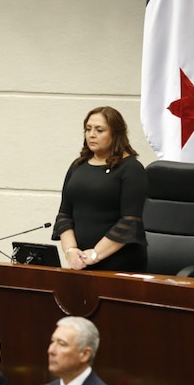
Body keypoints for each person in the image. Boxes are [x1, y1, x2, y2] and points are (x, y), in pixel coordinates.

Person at [52, 106, 148, 272]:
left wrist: (96, 254)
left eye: (99, 130)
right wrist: (71, 251)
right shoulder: (78, 166)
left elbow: (129, 222)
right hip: (81, 261)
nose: (92, 135)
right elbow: (64, 215)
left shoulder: (131, 169)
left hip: (119, 264)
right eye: (88, 129)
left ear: (116, 134)